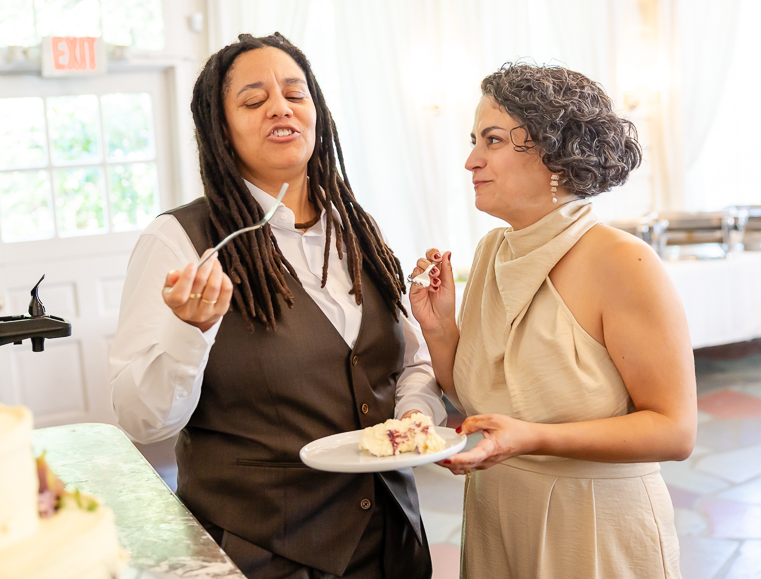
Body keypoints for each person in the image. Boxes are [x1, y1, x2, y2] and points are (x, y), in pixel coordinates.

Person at [109, 33, 443, 579]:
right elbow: (141, 421)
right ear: (221, 129)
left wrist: (413, 419)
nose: (280, 107)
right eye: (253, 100)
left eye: (295, 93)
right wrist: (189, 332)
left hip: (391, 542)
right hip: (263, 553)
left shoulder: (358, 228)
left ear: (318, 112)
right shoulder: (179, 240)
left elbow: (411, 363)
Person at [409, 63, 696, 578]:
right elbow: (485, 401)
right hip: (499, 515)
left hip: (591, 527)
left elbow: (675, 431)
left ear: (556, 153)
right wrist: (440, 330)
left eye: (491, 140)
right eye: (474, 140)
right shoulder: (493, 250)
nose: (471, 160)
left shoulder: (621, 262)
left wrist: (534, 439)